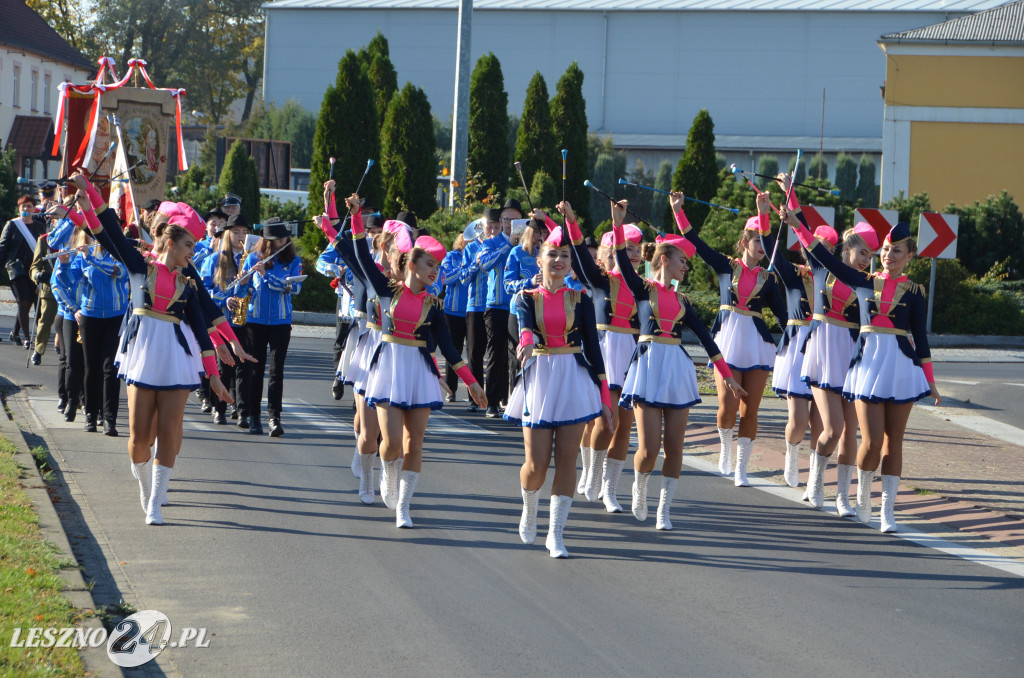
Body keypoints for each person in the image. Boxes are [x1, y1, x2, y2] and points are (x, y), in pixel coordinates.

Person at [69, 172, 231, 525]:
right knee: (140, 438)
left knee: (169, 429)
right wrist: (91, 193)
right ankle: (145, 485)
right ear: (171, 241)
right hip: (143, 350)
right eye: (189, 245)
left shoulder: (188, 282)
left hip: (176, 355)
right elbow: (109, 230)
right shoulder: (139, 267)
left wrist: (215, 376)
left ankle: (156, 499)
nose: (193, 252)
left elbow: (203, 331)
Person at [787, 214, 940, 532]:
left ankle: (887, 510)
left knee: (894, 441)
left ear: (910, 255)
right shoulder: (864, 282)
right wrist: (795, 221)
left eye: (896, 250)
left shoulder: (915, 291)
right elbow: (824, 257)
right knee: (869, 441)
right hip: (868, 368)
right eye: (885, 249)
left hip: (901, 367)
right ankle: (859, 497)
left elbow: (921, 339)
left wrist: (931, 381)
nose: (888, 255)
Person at [604, 199, 746, 528]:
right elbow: (625, 265)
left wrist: (726, 376)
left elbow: (709, 341)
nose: (687, 267)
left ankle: (664, 509)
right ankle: (640, 486)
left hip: (676, 372)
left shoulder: (683, 300)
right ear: (665, 259)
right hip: (648, 368)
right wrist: (616, 225)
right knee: (649, 448)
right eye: (683, 260)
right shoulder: (644, 289)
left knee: (674, 447)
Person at [346, 195, 486, 526]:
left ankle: (403, 507)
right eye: (430, 265)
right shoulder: (386, 290)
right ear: (412, 264)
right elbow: (362, 257)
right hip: (389, 369)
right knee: (391, 443)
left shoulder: (435, 305)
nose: (435, 272)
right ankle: (380, 475)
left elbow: (450, 350)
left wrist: (472, 383)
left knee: (415, 443)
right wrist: (353, 218)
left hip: (420, 372)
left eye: (438, 266)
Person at [505, 214, 612, 558]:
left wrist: (605, 398)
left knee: (567, 459)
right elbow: (522, 324)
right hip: (539, 376)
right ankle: (530, 506)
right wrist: (524, 341)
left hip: (573, 379)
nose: (560, 260)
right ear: (540, 260)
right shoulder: (525, 296)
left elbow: (594, 350)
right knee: (536, 465)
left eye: (565, 254)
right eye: (553, 254)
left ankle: (556, 534)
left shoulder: (581, 301)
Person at [675, 193, 787, 487]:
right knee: (726, 406)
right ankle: (726, 446)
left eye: (766, 242)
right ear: (744, 242)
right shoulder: (727, 266)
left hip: (757, 345)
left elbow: (784, 316)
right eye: (757, 241)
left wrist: (802, 334)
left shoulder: (769, 278)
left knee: (750, 409)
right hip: (728, 340)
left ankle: (742, 467)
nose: (762, 248)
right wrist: (678, 212)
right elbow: (697, 244)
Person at [557, 209, 643, 512]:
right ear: (605, 258)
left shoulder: (640, 286)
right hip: (603, 352)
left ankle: (610, 488)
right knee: (603, 421)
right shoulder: (599, 282)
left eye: (636, 249)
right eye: (624, 249)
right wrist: (571, 221)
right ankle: (592, 471)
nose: (631, 254)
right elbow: (579, 251)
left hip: (631, 355)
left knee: (624, 425)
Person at [753, 187, 826, 488]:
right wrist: (764, 212)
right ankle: (792, 455)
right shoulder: (792, 274)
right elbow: (771, 245)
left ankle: (815, 477)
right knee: (797, 421)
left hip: (825, 348)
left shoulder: (831, 277)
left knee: (821, 423)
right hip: (797, 348)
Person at [60, 226, 130, 435]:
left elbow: (117, 272)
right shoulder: (82, 256)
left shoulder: (120, 253)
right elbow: (69, 282)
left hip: (116, 316)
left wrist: (89, 257)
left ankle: (110, 419)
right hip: (90, 315)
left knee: (111, 368)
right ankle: (90, 415)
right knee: (91, 368)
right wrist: (63, 266)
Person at [236, 218, 302, 437]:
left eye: (284, 238)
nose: (283, 241)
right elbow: (240, 292)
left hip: (281, 322)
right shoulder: (253, 258)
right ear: (267, 241)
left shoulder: (293, 260)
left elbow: (293, 287)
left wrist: (266, 275)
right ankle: (253, 416)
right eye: (277, 239)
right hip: (255, 321)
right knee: (255, 369)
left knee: (276, 371)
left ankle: (275, 417)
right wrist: (242, 282)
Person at [200, 214, 252, 425]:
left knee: (243, 368)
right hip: (221, 321)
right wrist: (224, 298)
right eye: (237, 232)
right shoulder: (214, 259)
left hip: (246, 321)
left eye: (245, 232)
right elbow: (202, 290)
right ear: (228, 234)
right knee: (223, 368)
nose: (241, 236)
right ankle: (219, 408)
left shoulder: (250, 259)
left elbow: (256, 290)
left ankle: (242, 411)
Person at [462, 209, 512, 412]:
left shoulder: (504, 243)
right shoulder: (473, 248)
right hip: (476, 304)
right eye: (489, 227)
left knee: (497, 354)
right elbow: (464, 277)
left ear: (500, 225)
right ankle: (475, 398)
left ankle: (498, 397)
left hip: (496, 304)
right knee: (475, 353)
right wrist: (475, 265)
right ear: (483, 228)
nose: (492, 231)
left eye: (495, 227)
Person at [0, 195, 46, 346]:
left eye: (29, 206)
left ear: (34, 209)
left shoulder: (39, 226)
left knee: (29, 301)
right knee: (23, 301)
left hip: (33, 269)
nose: (26, 209)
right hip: (16, 268)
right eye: (23, 207)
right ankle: (27, 337)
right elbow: (3, 246)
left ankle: (14, 332)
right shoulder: (12, 225)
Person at [439, 234, 469, 401]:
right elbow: (446, 279)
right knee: (453, 351)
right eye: (468, 239)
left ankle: (474, 390)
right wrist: (464, 267)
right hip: (453, 311)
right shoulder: (451, 256)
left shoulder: (480, 253)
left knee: (473, 353)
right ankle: (451, 389)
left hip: (473, 311)